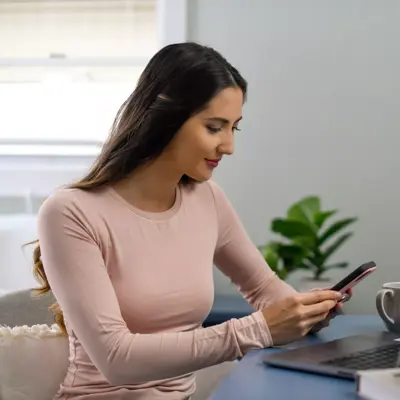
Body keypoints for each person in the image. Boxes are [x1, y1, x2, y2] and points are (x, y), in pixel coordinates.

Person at [33, 42, 345, 400]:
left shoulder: (207, 200)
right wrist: (257, 330)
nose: (228, 146)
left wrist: (306, 312)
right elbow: (117, 360)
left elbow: (263, 288)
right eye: (214, 127)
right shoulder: (71, 212)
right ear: (164, 118)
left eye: (234, 129)